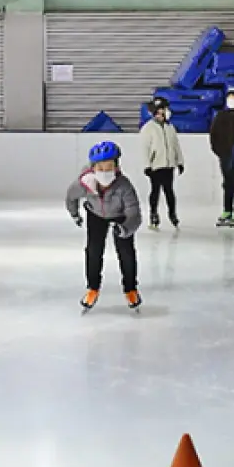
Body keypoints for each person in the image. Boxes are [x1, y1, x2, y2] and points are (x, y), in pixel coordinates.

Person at [65, 141, 143, 312]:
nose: (105, 172)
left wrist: (125, 228)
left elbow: (135, 214)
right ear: (93, 168)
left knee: (126, 253)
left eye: (109, 167)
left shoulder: (124, 186)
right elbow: (71, 198)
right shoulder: (84, 183)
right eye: (100, 168)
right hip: (96, 215)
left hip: (120, 217)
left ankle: (130, 288)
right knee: (93, 251)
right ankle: (92, 288)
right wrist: (75, 214)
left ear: (116, 167)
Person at [140, 96, 185, 230]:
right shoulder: (148, 128)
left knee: (169, 191)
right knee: (155, 191)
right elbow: (144, 148)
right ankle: (153, 214)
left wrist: (179, 161)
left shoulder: (170, 127)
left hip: (168, 165)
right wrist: (147, 165)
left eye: (163, 111)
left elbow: (176, 146)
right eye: (158, 112)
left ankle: (172, 213)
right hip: (156, 166)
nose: (161, 114)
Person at [209, 86, 234, 227]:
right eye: (230, 97)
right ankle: (227, 210)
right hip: (225, 156)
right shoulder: (220, 116)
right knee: (228, 183)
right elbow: (213, 136)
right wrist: (220, 152)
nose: (232, 100)